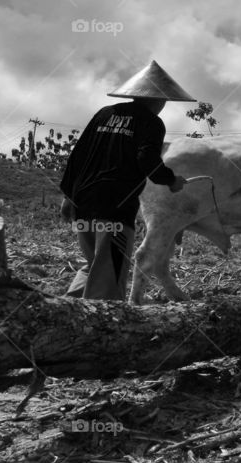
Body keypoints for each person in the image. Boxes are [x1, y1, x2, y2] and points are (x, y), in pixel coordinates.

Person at [59, 60, 195, 299]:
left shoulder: (104, 114)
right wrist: (171, 180)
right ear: (159, 100)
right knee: (109, 276)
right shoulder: (151, 123)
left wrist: (68, 196)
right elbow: (148, 160)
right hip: (115, 209)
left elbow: (78, 156)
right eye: (164, 100)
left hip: (83, 204)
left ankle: (65, 312)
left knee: (93, 264)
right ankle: (100, 328)